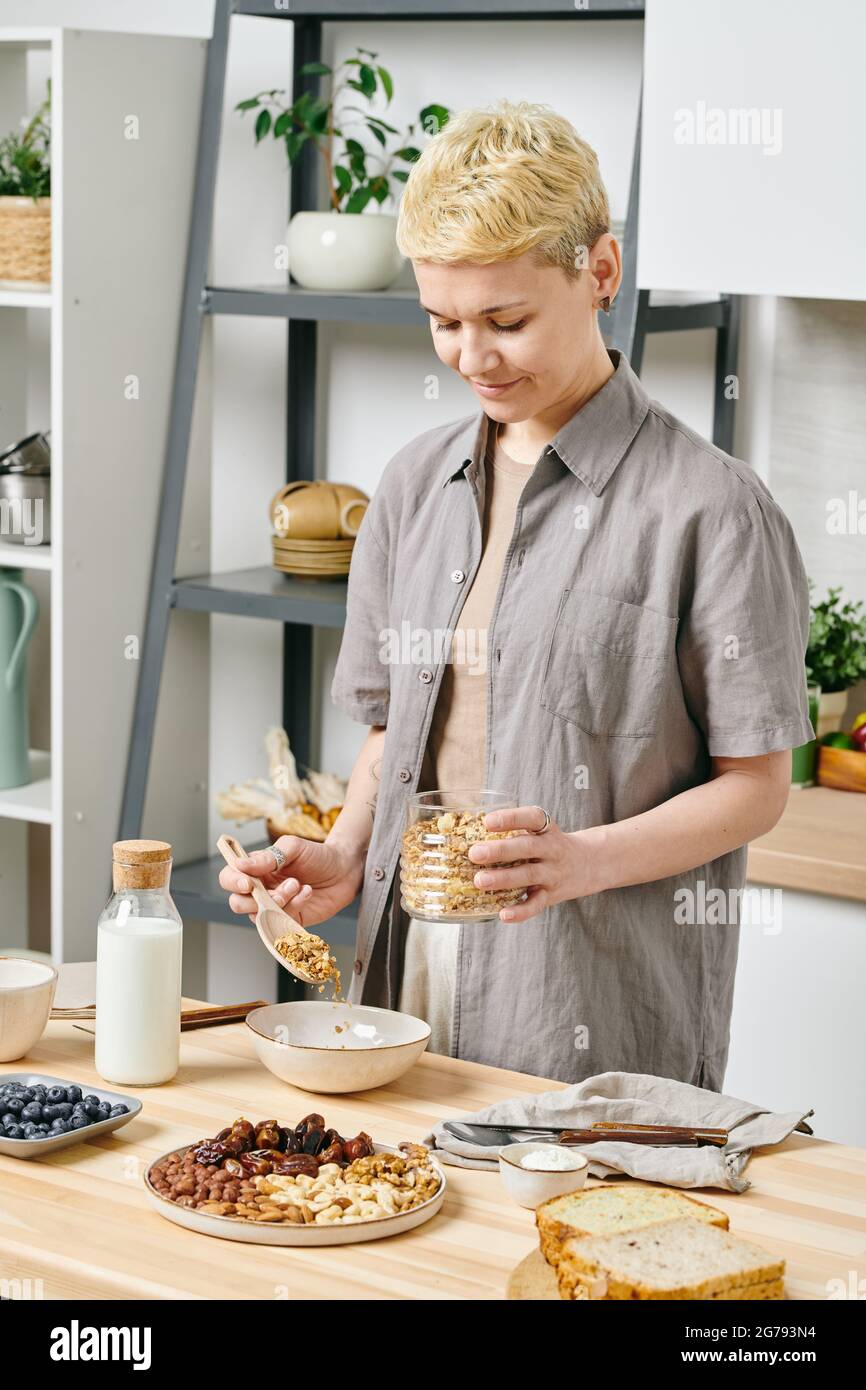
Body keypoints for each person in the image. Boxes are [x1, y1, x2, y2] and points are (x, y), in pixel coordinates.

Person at [219, 100, 812, 1091]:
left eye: (505, 320)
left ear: (600, 273)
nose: (471, 357)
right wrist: (345, 851)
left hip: (585, 1003)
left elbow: (757, 784)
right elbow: (392, 736)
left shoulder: (710, 507)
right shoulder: (411, 485)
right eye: (441, 322)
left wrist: (578, 859)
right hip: (399, 982)